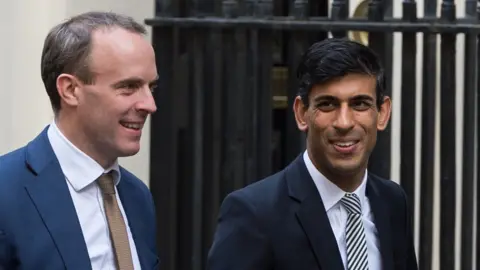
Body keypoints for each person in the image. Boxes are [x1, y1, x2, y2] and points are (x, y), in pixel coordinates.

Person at [207, 38, 418, 270]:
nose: (344, 122)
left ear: (382, 113)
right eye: (328, 104)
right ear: (301, 113)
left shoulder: (392, 202)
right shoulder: (254, 214)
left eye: (360, 104)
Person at [0, 11, 159, 270]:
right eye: (128, 87)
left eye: (151, 88)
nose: (149, 105)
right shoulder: (6, 192)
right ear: (71, 90)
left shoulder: (137, 196)